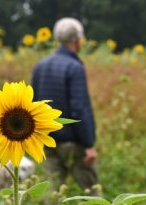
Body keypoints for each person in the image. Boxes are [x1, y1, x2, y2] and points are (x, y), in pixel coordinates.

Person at [31, 17, 99, 192]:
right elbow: (79, 108)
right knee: (92, 193)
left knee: (52, 194)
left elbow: (33, 104)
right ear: (78, 40)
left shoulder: (40, 66)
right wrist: (89, 144)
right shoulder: (74, 67)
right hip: (72, 143)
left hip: (47, 141)